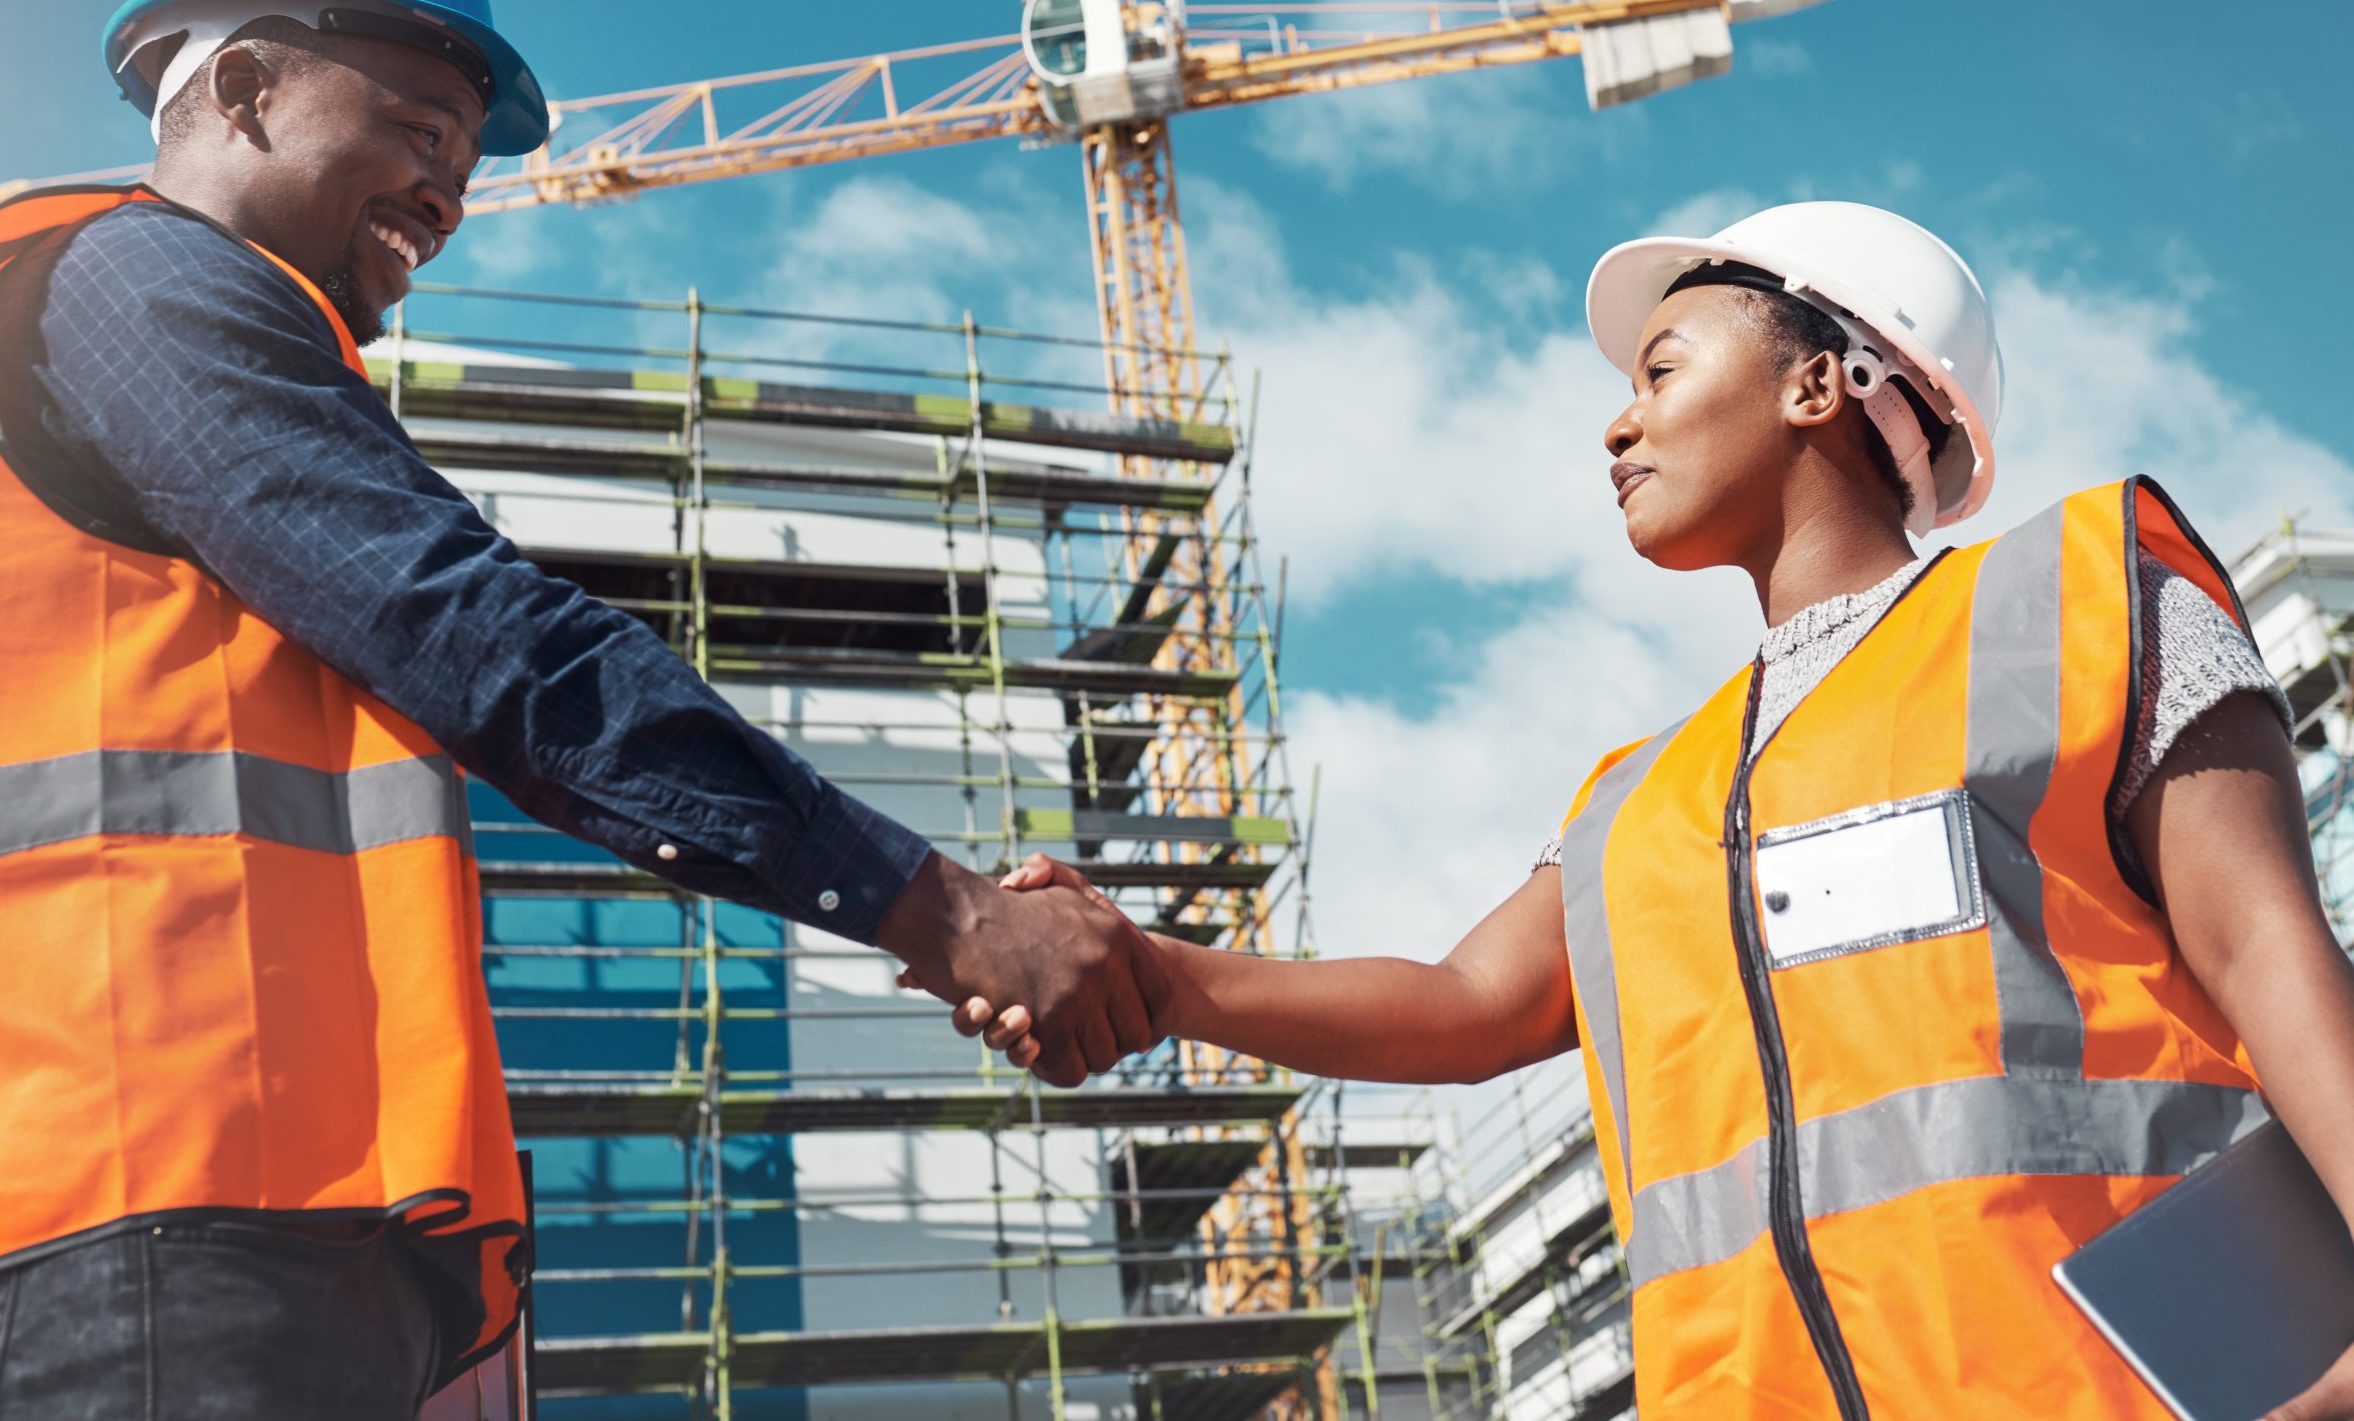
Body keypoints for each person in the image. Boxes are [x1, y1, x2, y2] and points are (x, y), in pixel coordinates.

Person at [0, 0, 1162, 1419]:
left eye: (461, 156)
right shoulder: (137, 281)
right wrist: (939, 905)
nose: (448, 192)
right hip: (106, 1196)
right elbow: (479, 634)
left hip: (200, 1212)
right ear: (242, 87)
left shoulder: (204, 348)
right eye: (417, 128)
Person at [957, 203, 2354, 1421]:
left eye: (1662, 369)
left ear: (1823, 381)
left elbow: (2268, 952)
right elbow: (1464, 1002)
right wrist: (1158, 974)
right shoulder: (1641, 798)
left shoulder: (2077, 603)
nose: (1617, 421)